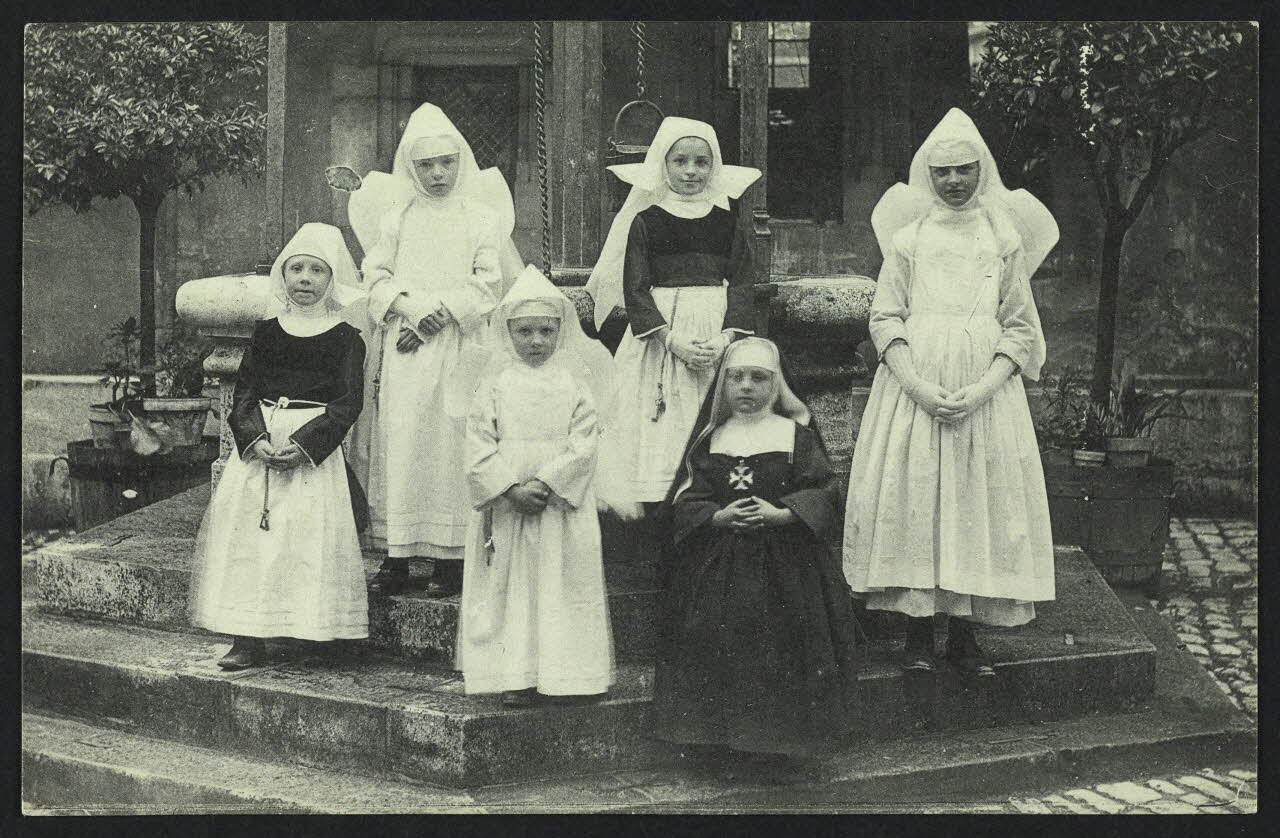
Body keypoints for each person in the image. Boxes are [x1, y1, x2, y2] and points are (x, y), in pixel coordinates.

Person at [842, 108, 1060, 676]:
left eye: (965, 170)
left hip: (982, 393)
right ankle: (917, 630)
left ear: (981, 172)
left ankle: (963, 633)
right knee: (918, 496)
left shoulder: (1001, 240)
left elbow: (1019, 325)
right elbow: (885, 317)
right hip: (916, 386)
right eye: (943, 173)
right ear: (928, 176)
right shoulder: (908, 239)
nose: (955, 182)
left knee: (973, 498)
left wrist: (985, 388)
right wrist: (915, 384)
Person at [653, 337, 862, 761]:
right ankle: (719, 743)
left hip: (789, 567)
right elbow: (687, 499)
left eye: (759, 378)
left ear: (776, 384)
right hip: (720, 565)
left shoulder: (794, 435)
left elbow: (823, 489)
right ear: (723, 385)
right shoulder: (712, 439)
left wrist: (784, 515)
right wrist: (717, 517)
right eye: (736, 378)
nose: (746, 387)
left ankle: (784, 747)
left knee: (787, 647)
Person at [189, 223, 369, 670]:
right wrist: (254, 439)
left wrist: (306, 444)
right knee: (251, 537)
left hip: (311, 453)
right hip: (262, 447)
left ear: (333, 280)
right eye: (296, 269)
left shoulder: (346, 338)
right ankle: (247, 635)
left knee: (310, 538)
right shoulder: (266, 332)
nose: (305, 279)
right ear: (282, 275)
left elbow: (348, 403)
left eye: (316, 270)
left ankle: (315, 629)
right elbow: (245, 392)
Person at [354, 103, 514, 598]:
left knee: (449, 447)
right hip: (404, 350)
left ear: (459, 163)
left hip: (459, 347)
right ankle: (398, 555)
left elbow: (489, 282)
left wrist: (437, 316)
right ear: (411, 168)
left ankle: (451, 559)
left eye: (446, 162)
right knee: (401, 446)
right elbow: (375, 277)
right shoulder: (398, 216)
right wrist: (410, 308)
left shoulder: (480, 218)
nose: (438, 173)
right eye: (426, 165)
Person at [586, 117, 761, 516]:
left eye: (701, 162)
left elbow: (742, 282)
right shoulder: (647, 221)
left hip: (713, 336)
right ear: (662, 166)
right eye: (680, 161)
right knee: (656, 428)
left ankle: (706, 513)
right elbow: (635, 288)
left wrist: (724, 339)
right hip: (662, 339)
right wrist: (671, 340)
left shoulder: (727, 222)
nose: (690, 172)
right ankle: (659, 524)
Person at [456, 265, 615, 707]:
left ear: (560, 331)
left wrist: (545, 481)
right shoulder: (493, 386)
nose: (536, 342)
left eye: (546, 331)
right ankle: (515, 675)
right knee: (512, 590)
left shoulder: (575, 384)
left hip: (560, 505)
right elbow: (478, 446)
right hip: (510, 505)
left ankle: (569, 676)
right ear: (508, 333)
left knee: (563, 585)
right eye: (525, 332)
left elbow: (585, 445)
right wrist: (510, 488)